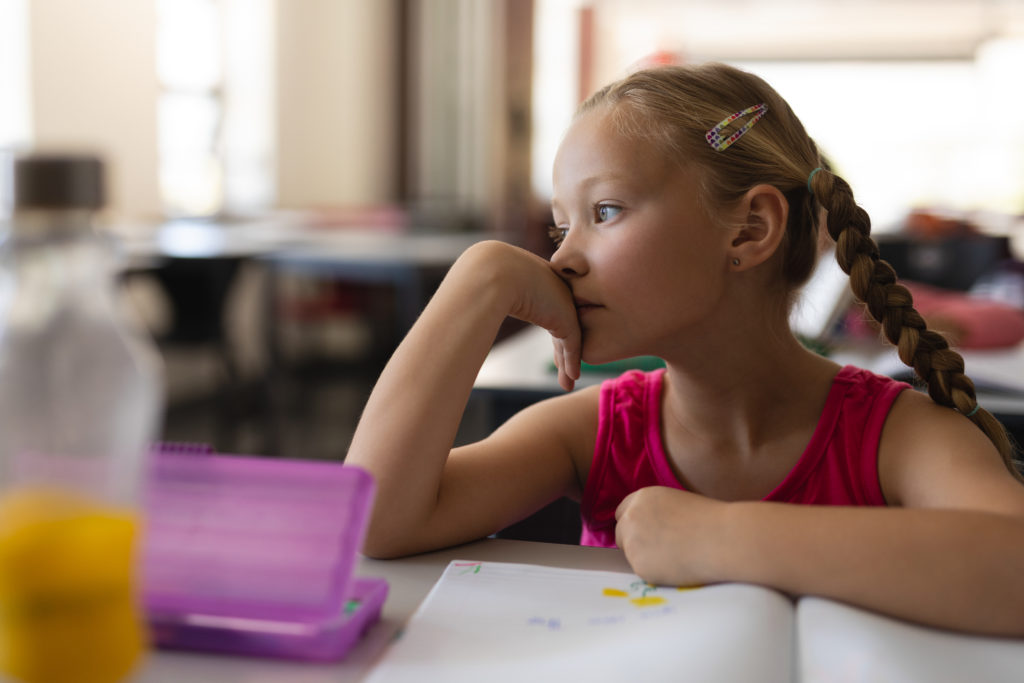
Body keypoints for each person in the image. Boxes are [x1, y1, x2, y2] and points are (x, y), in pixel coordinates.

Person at [346, 63, 1024, 636]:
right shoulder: (593, 431)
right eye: (560, 227)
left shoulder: (896, 435)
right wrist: (479, 280)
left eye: (605, 211)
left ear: (749, 229)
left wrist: (718, 538)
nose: (563, 258)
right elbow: (375, 524)